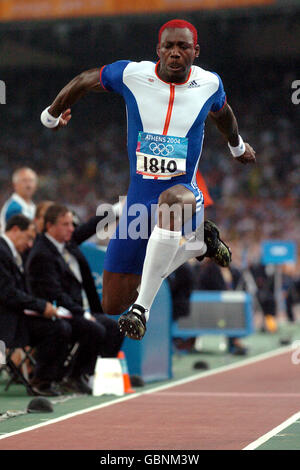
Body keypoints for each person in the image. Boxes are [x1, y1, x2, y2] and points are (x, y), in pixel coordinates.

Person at [40, 19, 256, 340]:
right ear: (158, 50)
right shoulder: (132, 75)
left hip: (184, 195)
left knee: (172, 203)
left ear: (195, 51)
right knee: (113, 303)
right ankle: (199, 245)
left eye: (183, 47)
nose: (174, 53)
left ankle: (142, 309)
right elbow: (85, 80)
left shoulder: (209, 84)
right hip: (139, 200)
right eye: (168, 46)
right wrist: (52, 114)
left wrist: (237, 146)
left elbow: (222, 113)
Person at [26, 204, 124, 393]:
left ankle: (92, 375)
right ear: (50, 226)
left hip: (80, 309)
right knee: (94, 328)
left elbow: (88, 228)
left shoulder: (67, 243)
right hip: (58, 311)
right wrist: (83, 314)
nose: (71, 228)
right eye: (65, 224)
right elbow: (55, 293)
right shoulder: (42, 253)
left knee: (115, 329)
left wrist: (115, 211)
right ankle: (74, 375)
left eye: (71, 224)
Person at [0, 214, 69, 396]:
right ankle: (41, 381)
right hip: (7, 320)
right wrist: (40, 306)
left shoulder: (12, 253)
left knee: (59, 326)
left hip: (17, 315)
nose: (30, 244)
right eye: (29, 237)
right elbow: (7, 293)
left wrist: (39, 306)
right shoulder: (2, 251)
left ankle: (46, 380)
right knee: (56, 328)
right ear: (15, 230)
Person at [0, 167, 38, 232]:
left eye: (31, 181)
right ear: (15, 185)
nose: (28, 185)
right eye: (24, 181)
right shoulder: (14, 208)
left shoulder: (32, 206)